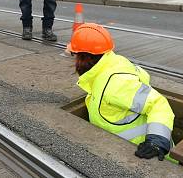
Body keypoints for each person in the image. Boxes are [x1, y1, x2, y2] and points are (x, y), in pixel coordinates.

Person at [68, 23, 175, 161]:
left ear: (83, 57)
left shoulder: (115, 83)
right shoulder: (111, 64)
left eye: (74, 54)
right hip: (134, 152)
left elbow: (158, 104)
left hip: (154, 156)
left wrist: (157, 142)